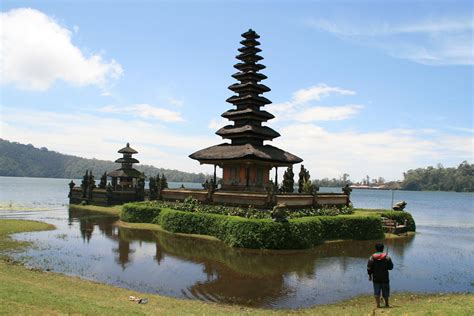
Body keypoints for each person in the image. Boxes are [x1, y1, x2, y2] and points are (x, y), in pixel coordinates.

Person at [367, 243, 393, 308]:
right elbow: (391, 267)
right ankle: (386, 303)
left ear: (376, 249)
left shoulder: (372, 257)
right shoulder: (387, 257)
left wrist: (370, 275)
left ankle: (378, 305)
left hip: (376, 278)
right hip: (385, 278)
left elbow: (369, 268)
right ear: (383, 248)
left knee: (376, 291)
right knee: (386, 292)